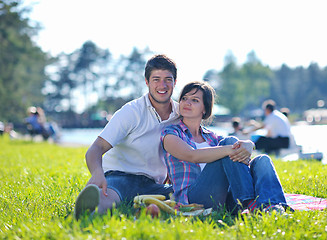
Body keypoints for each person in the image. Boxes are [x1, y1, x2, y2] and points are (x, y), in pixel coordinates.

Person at [74, 54, 181, 220]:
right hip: (120, 176)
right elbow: (96, 148)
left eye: (168, 79)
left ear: (175, 82)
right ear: (147, 82)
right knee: (108, 196)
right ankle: (90, 210)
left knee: (185, 196)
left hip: (154, 185)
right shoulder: (131, 112)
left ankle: (146, 208)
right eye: (156, 79)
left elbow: (200, 140)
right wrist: (97, 173)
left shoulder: (180, 114)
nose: (163, 85)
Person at [161, 82, 288, 214]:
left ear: (205, 108)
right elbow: (192, 155)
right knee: (230, 142)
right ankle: (248, 203)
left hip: (225, 198)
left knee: (262, 160)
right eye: (184, 98)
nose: (187, 103)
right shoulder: (170, 133)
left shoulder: (213, 137)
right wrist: (230, 148)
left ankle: (274, 207)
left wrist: (250, 144)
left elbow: (239, 161)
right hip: (193, 199)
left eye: (195, 100)